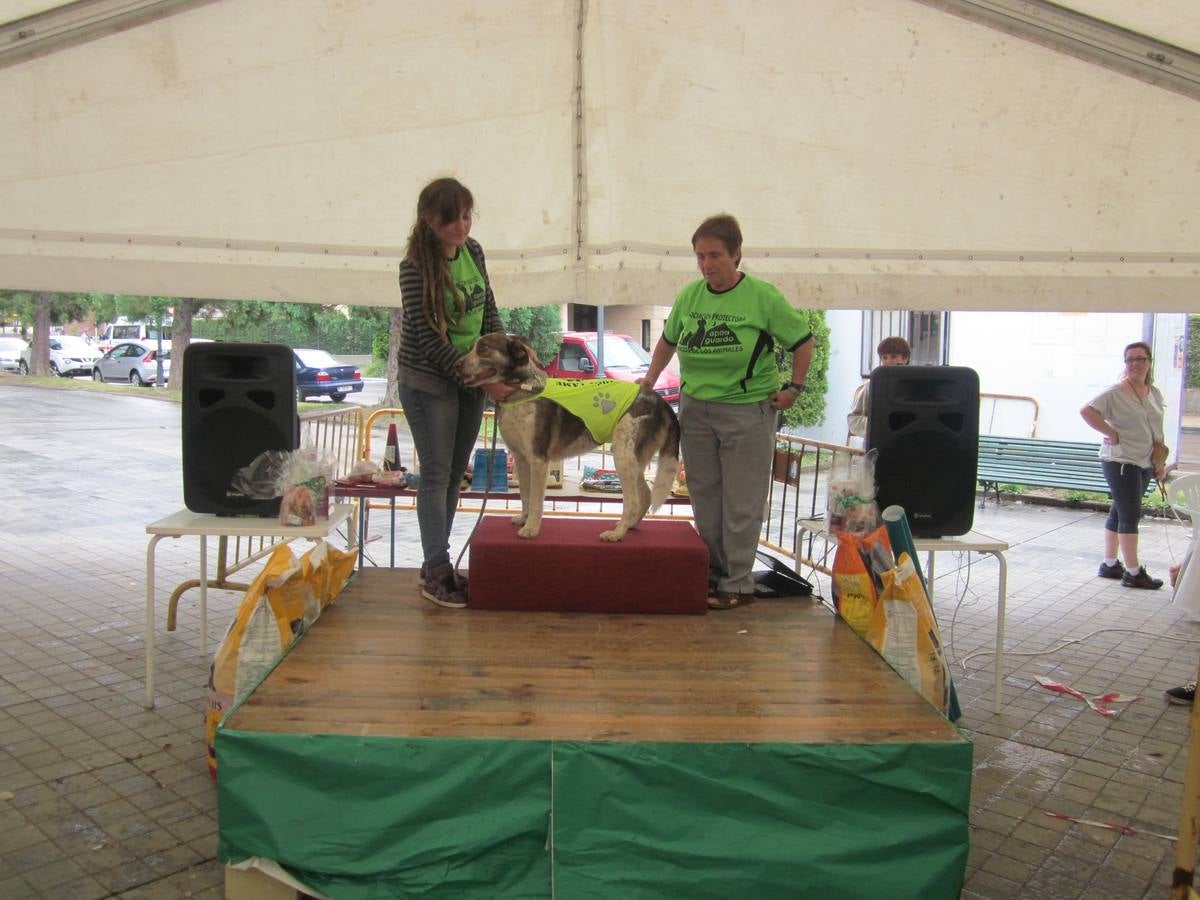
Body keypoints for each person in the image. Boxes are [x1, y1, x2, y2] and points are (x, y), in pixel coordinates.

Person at [643, 214, 815, 610]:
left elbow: (803, 342)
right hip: (696, 408)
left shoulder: (762, 297)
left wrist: (795, 388)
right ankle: (717, 572)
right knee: (705, 497)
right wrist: (650, 378)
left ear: (737, 254)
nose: (707, 265)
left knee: (742, 500)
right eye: (700, 257)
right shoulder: (690, 296)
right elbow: (668, 341)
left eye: (715, 255)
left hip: (747, 409)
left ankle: (738, 583)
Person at [397, 177, 509, 608]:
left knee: (455, 472)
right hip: (429, 381)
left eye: (467, 216)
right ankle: (437, 569)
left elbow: (489, 309)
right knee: (436, 472)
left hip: (471, 377)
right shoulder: (414, 268)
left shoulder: (473, 251)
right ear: (430, 219)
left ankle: (435, 564)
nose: (462, 226)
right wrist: (483, 379)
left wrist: (502, 355)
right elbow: (429, 340)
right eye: (452, 218)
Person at [1079, 340, 1167, 590]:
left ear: (1149, 362)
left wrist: (1159, 461)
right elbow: (1086, 411)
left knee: (1120, 510)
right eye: (1130, 360)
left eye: (1141, 359)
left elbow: (1157, 428)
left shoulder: (1154, 392)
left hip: (1144, 460)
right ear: (1125, 364)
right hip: (1120, 461)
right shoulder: (1114, 392)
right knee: (1130, 514)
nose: (1135, 364)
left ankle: (1109, 564)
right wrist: (1110, 432)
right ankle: (1133, 572)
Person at [847, 335, 911, 440]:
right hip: (878, 444)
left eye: (894, 356)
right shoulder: (871, 385)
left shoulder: (916, 384)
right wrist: (878, 426)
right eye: (884, 357)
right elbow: (853, 419)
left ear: (905, 358)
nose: (889, 361)